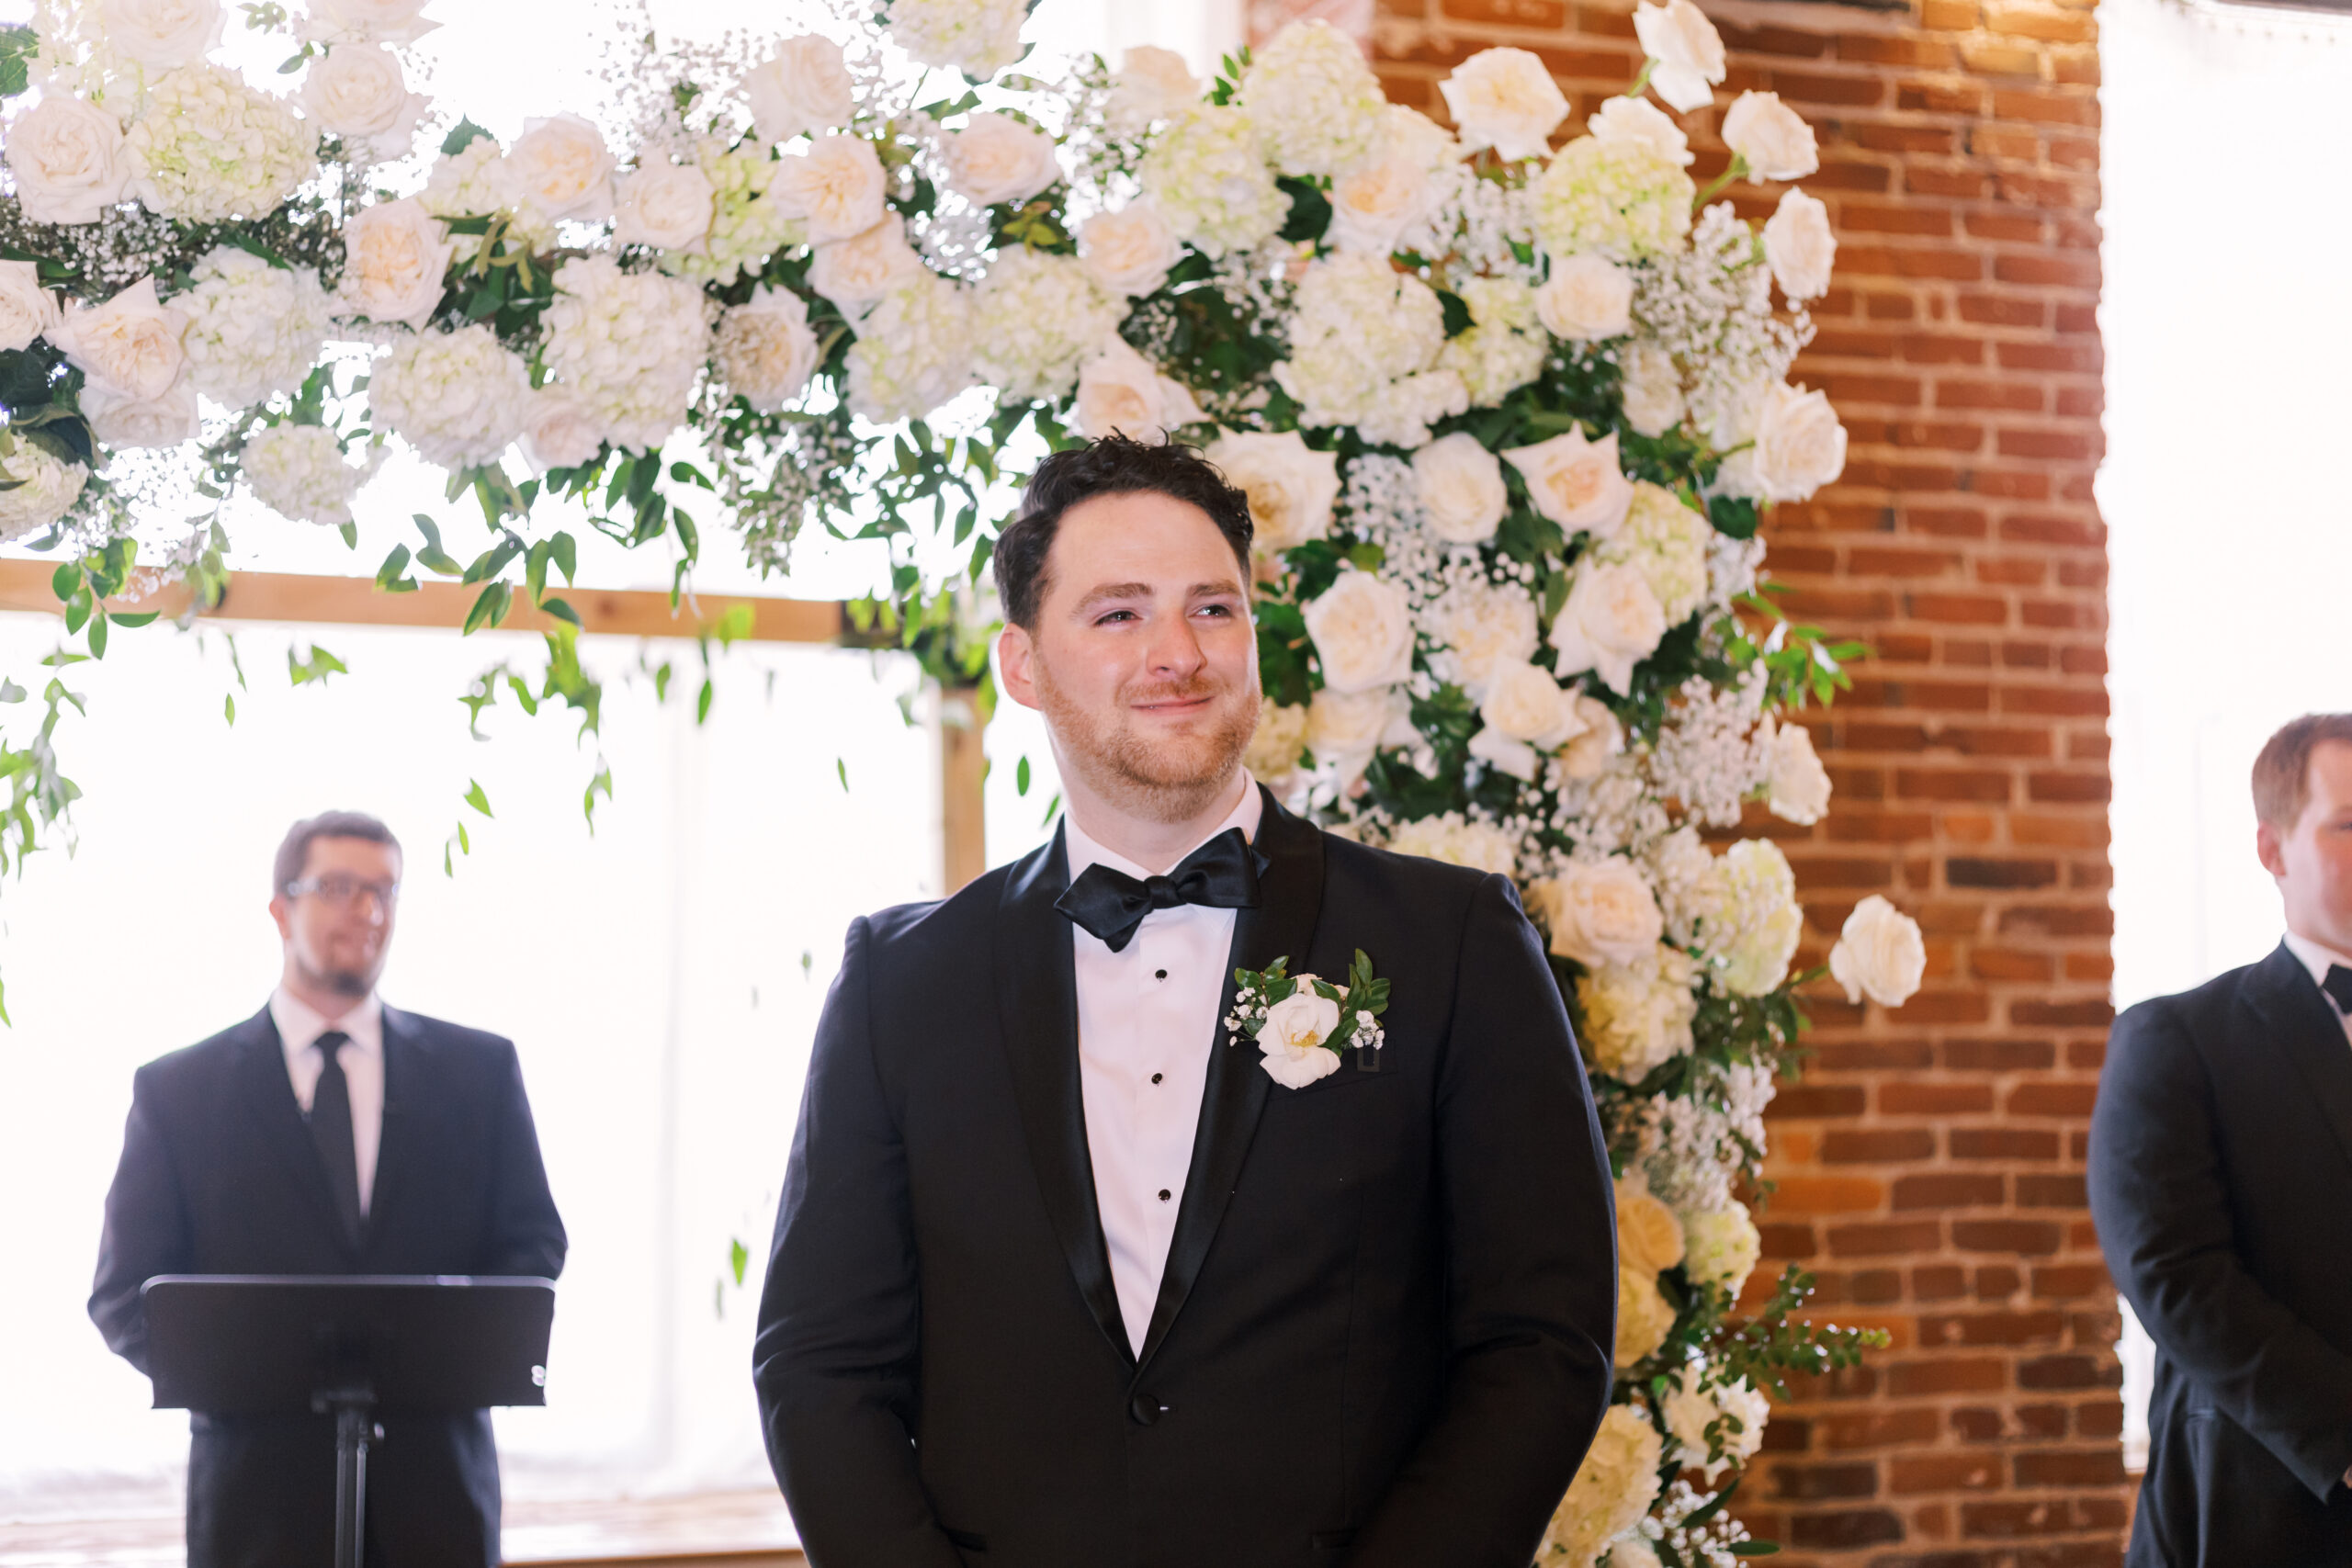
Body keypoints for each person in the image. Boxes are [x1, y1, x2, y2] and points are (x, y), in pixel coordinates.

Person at [752, 435, 1617, 1567]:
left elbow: (1540, 1339)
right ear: (1022, 665)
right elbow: (820, 1365)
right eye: (1118, 615)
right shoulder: (899, 983)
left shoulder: (1453, 943)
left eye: (1213, 609)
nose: (1177, 653)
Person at [90, 810, 567, 1568]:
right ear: (280, 907)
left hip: (438, 1503)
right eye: (341, 887)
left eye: (385, 891)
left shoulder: (480, 1073)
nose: (368, 910)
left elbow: (533, 1243)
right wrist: (233, 1368)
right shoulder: (178, 1090)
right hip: (257, 1506)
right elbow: (123, 1290)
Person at [2091, 713, 2352, 1564]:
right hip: (2262, 1507)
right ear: (2272, 850)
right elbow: (2177, 1277)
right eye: (2349, 823)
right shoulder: (2180, 1038)